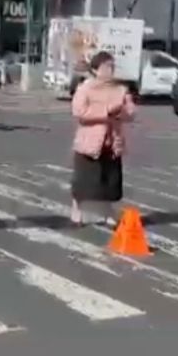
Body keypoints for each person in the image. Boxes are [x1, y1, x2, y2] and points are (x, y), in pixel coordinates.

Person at [69, 51, 136, 226]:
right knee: (84, 179)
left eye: (112, 66)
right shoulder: (86, 87)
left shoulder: (120, 89)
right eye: (106, 66)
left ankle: (108, 212)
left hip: (112, 140)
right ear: (95, 69)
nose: (110, 70)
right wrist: (106, 111)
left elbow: (130, 112)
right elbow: (79, 112)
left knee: (110, 180)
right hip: (90, 140)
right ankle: (77, 209)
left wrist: (120, 111)